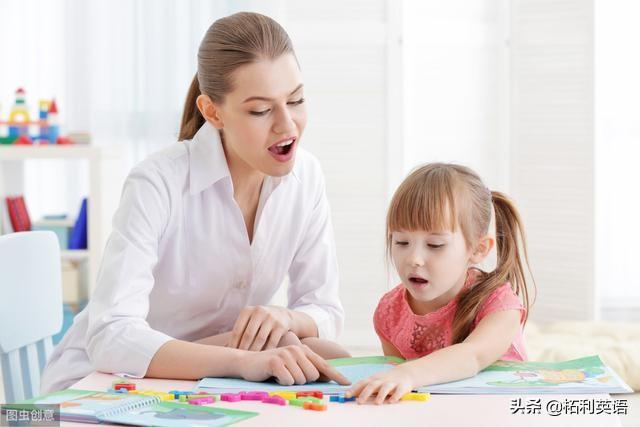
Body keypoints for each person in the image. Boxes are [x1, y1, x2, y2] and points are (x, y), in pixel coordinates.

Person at [41, 11, 350, 394]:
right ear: (212, 112)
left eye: (296, 99)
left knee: (316, 353)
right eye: (260, 110)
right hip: (99, 385)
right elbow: (111, 335)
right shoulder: (157, 182)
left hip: (201, 387)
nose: (287, 125)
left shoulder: (307, 177)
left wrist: (285, 318)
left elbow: (325, 310)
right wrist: (242, 362)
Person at [346, 163, 534, 404]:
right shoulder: (389, 312)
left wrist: (408, 374)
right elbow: (397, 389)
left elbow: (472, 356)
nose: (413, 259)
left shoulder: (500, 305)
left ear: (478, 249)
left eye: (435, 245)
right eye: (401, 242)